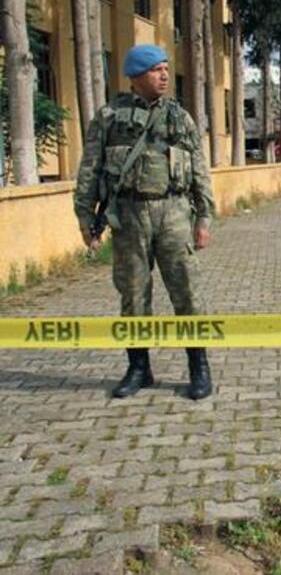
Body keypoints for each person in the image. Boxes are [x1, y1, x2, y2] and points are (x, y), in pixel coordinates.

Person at [74, 44, 216, 401]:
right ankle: (139, 368)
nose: (165, 76)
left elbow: (199, 170)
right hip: (128, 217)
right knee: (133, 296)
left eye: (167, 69)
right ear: (136, 76)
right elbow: (89, 169)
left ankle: (199, 368)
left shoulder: (179, 118)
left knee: (186, 292)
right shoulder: (109, 117)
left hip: (173, 213)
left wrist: (205, 218)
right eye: (156, 70)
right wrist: (84, 216)